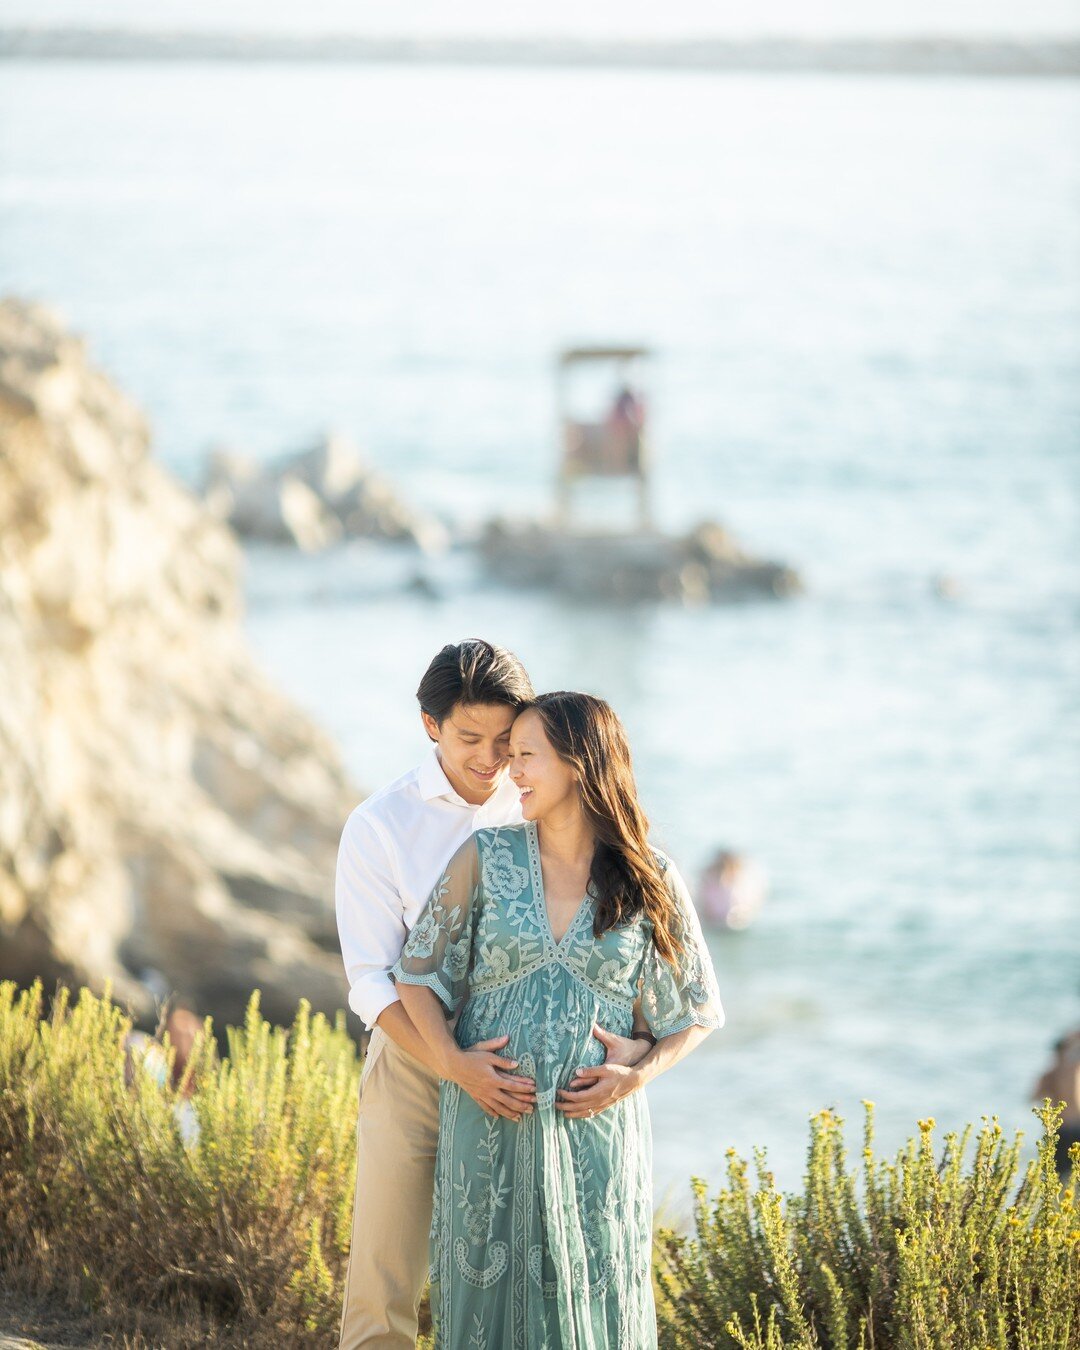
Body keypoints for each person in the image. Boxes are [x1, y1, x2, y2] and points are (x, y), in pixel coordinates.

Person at [335, 644, 651, 1349]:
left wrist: (639, 1039)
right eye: (469, 738)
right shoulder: (381, 824)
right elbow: (371, 978)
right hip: (417, 1060)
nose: (490, 759)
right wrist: (448, 1061)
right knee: (385, 1275)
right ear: (430, 727)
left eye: (506, 742)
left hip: (525, 1076)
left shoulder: (545, 792)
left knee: (523, 1276)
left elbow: (616, 920)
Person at [392, 691, 724, 1348]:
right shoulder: (485, 858)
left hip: (595, 1137)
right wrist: (456, 1066)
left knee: (592, 1314)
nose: (509, 771)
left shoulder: (648, 875)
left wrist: (637, 1075)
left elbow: (697, 1010)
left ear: (578, 764)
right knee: (485, 1312)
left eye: (525, 756)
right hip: (489, 1129)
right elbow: (414, 975)